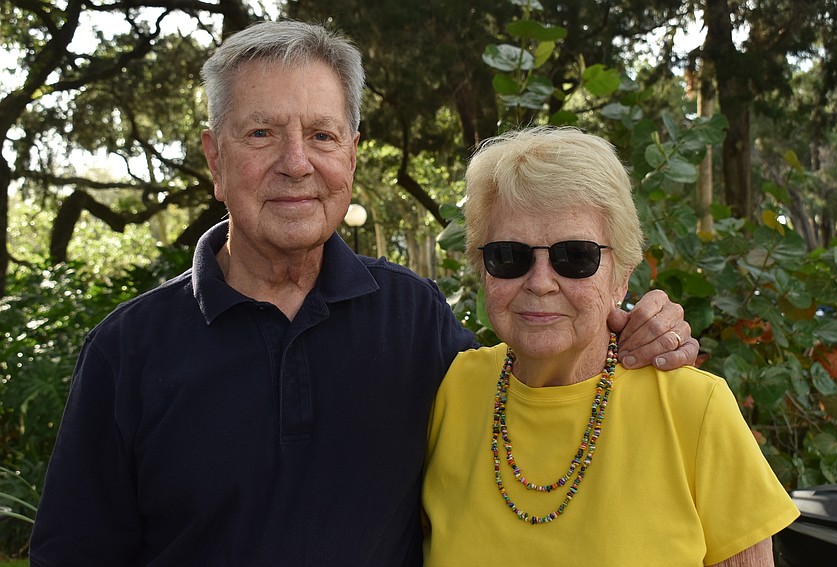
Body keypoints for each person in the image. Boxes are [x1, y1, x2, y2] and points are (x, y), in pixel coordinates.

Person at [28, 21, 698, 566]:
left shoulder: (413, 318)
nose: (297, 162)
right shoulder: (129, 349)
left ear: (350, 154)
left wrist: (627, 324)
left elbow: (534, 390)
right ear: (215, 159)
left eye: (321, 135)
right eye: (262, 133)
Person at [421, 126, 800, 566]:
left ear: (621, 275)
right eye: (509, 256)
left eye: (575, 256)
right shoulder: (453, 391)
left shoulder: (693, 408)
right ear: (483, 270)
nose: (541, 282)